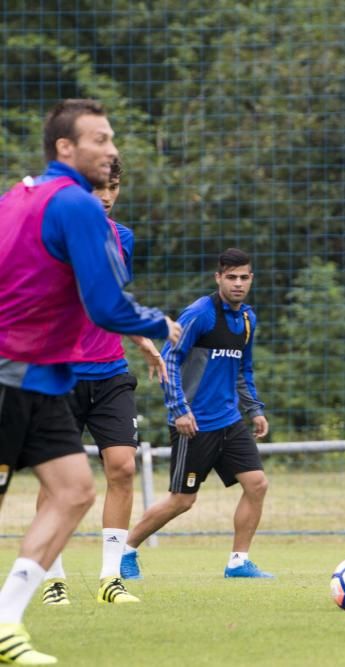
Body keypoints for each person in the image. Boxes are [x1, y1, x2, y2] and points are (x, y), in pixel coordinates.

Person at [0, 98, 180, 665]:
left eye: (111, 138)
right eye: (99, 139)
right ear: (65, 148)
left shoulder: (19, 195)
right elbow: (106, 306)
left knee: (77, 491)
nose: (111, 149)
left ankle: (6, 625)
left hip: (46, 378)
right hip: (13, 374)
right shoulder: (74, 203)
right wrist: (163, 325)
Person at [37, 156, 167, 607]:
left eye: (113, 188)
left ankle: (110, 579)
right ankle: (53, 578)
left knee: (123, 468)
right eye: (98, 190)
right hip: (60, 374)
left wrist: (143, 341)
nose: (107, 198)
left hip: (110, 372)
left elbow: (109, 301)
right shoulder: (53, 235)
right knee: (57, 483)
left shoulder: (122, 238)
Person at [123, 248, 273, 579]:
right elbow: (170, 359)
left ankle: (237, 562)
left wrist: (254, 410)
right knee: (182, 501)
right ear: (218, 277)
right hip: (194, 424)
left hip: (230, 421)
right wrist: (179, 410)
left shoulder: (247, 319)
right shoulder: (199, 314)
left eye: (243, 277)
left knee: (257, 484)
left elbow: (243, 370)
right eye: (230, 277)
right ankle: (126, 550)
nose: (237, 284)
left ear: (251, 279)